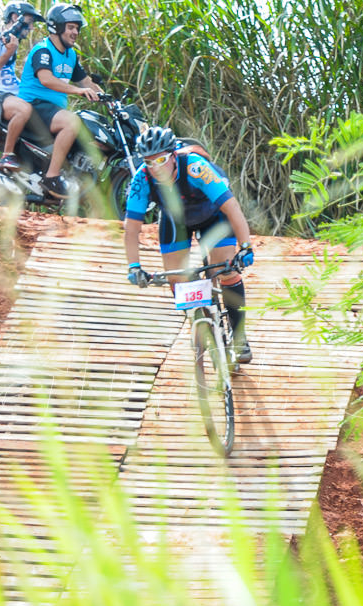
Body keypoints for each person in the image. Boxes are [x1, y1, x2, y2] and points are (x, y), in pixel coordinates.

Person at [123, 126, 255, 363]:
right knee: (177, 278)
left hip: (214, 215)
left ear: (174, 155)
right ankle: (200, 322)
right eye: (149, 162)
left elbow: (232, 208)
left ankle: (239, 338)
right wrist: (133, 266)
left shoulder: (195, 167)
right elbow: (131, 228)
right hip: (176, 221)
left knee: (225, 271)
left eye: (161, 160)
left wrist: (245, 246)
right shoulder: (141, 178)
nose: (156, 168)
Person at [17, 3, 103, 199]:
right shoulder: (43, 50)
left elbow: (85, 81)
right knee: (71, 121)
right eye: (71, 27)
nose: (76, 33)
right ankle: (51, 177)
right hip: (33, 107)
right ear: (56, 27)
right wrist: (79, 91)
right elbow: (46, 79)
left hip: (51, 111)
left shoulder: (70, 55)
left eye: (77, 28)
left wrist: (109, 100)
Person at [0, 2, 44, 173]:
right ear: (15, 17)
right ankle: (7, 155)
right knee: (23, 110)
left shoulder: (11, 40)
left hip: (10, 95)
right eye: (29, 21)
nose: (32, 27)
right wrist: (8, 52)